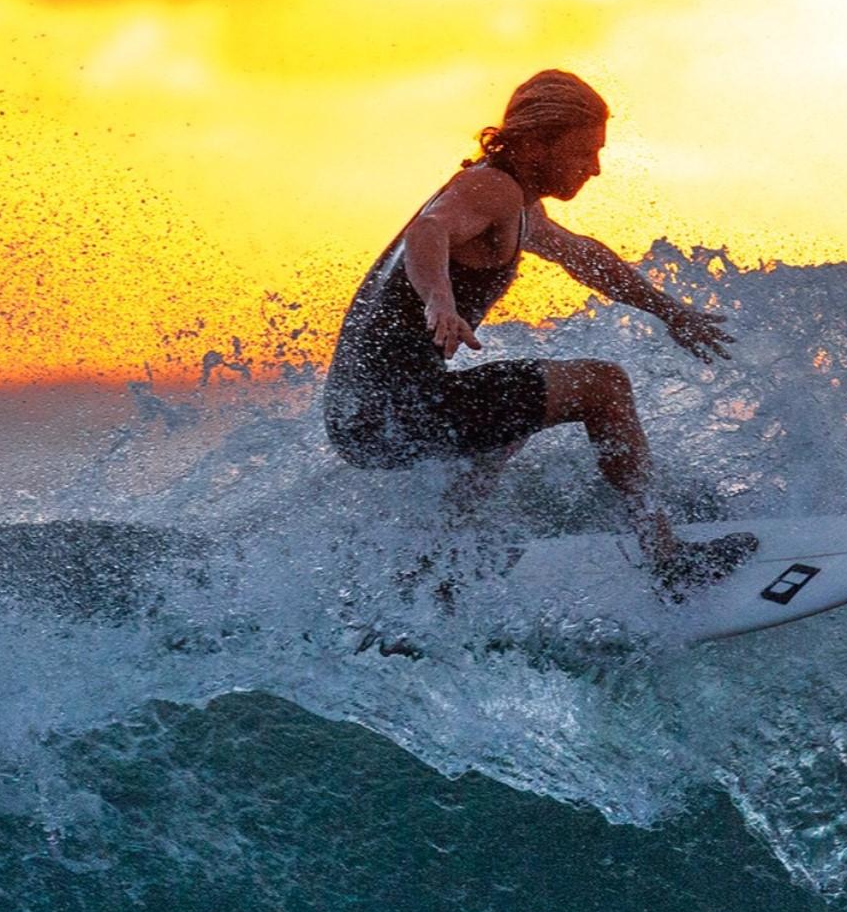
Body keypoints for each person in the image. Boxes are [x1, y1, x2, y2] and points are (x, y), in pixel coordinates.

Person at [323, 68, 755, 596]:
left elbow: (584, 257)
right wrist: (439, 298)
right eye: (582, 152)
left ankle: (432, 571)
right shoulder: (490, 188)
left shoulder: (518, 202)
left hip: (363, 416)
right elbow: (428, 229)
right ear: (532, 144)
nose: (594, 169)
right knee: (604, 386)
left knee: (524, 406)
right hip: (388, 411)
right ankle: (667, 559)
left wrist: (670, 311)